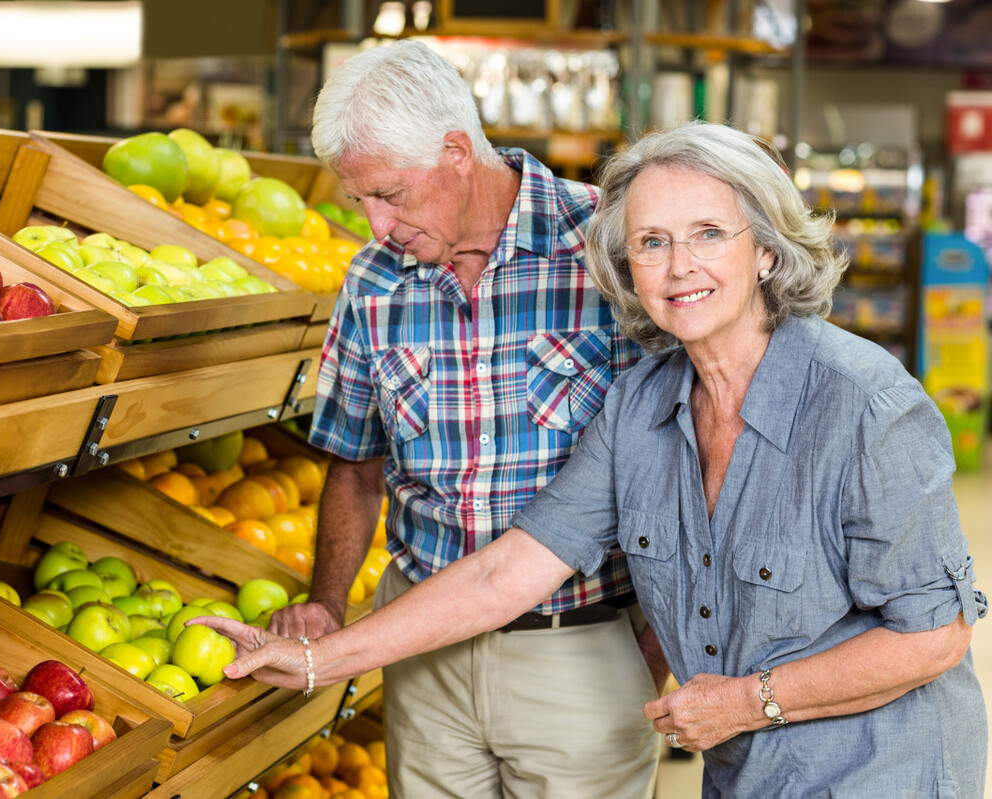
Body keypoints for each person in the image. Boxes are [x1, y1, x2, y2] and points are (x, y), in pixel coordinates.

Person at [200, 121, 988, 797]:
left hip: (887, 767)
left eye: (709, 233)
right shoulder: (641, 410)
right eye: (652, 242)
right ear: (624, 269)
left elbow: (936, 635)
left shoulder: (864, 404)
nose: (680, 266)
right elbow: (502, 573)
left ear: (769, 254)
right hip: (749, 772)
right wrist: (315, 658)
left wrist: (751, 701)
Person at [265, 39, 663, 798]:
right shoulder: (373, 283)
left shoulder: (606, 247)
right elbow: (354, 464)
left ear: (456, 153)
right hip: (423, 654)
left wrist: (649, 644)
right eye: (360, 202)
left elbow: (676, 456)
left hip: (579, 647)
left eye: (391, 194)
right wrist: (326, 600)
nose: (378, 226)